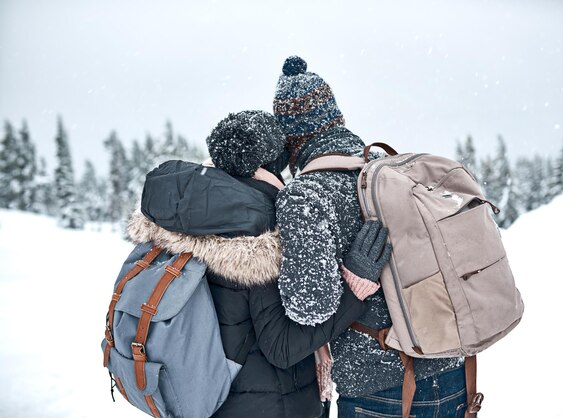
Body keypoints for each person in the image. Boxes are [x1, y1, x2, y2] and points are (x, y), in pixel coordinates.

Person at [128, 110, 389, 418]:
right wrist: (354, 288)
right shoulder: (257, 231)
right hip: (270, 406)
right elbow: (283, 348)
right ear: (272, 164)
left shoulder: (186, 212)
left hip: (214, 401)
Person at [272, 56, 468, 417]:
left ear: (290, 140)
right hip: (452, 368)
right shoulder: (385, 169)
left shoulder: (305, 195)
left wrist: (355, 278)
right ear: (337, 119)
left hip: (381, 389)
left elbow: (308, 306)